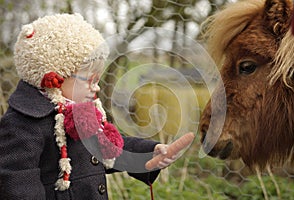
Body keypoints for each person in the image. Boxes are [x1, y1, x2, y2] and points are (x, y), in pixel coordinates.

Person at [0, 13, 178, 200]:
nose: (97, 87)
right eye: (90, 80)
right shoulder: (22, 124)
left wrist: (149, 153)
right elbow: (17, 186)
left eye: (98, 80)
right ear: (55, 77)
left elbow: (107, 149)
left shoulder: (80, 113)